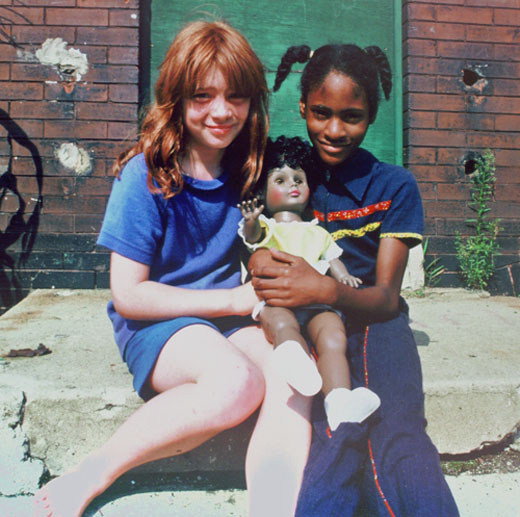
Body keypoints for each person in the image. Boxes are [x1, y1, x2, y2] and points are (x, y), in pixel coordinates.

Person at [33, 22, 312, 517]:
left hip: (227, 320)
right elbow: (130, 295)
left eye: (237, 96)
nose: (222, 111)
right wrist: (232, 299)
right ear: (176, 98)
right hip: (157, 322)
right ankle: (95, 472)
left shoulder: (250, 167)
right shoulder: (146, 174)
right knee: (237, 384)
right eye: (202, 96)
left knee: (294, 370)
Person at [249, 44, 460, 516]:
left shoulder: (393, 186)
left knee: (398, 430)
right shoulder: (286, 174)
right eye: (321, 113)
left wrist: (325, 289)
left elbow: (386, 298)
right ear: (303, 106)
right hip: (300, 321)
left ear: (372, 116)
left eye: (352, 117)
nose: (335, 130)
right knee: (328, 429)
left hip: (371, 322)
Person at [239, 135, 380, 430]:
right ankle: (294, 358)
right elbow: (253, 239)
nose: (292, 184)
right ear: (263, 194)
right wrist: (252, 220)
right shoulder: (268, 226)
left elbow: (332, 260)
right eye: (280, 180)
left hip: (317, 302)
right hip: (279, 299)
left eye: (298, 179)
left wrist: (343, 276)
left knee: (333, 336)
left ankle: (340, 400)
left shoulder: (318, 232)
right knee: (281, 324)